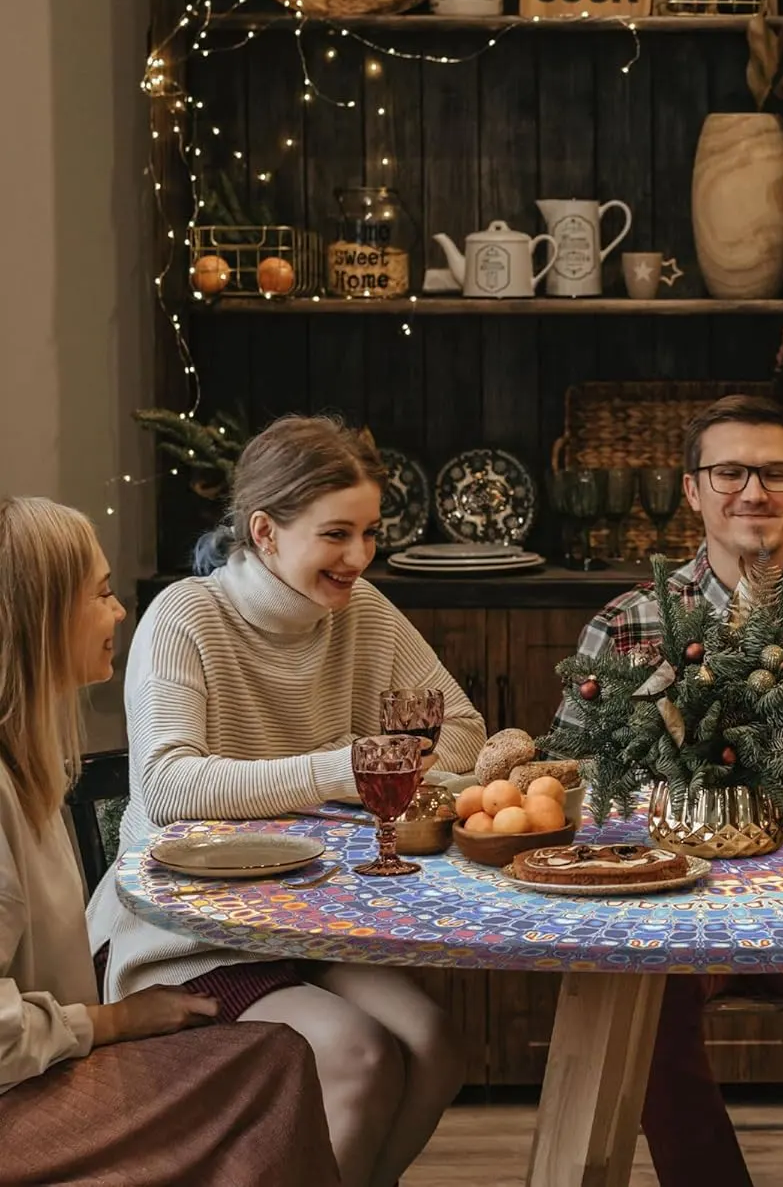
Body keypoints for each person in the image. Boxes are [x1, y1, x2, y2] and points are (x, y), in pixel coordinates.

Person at [88, 415, 487, 1187]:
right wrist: (346, 768)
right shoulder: (185, 617)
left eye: (370, 533)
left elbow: (462, 726)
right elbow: (169, 788)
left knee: (437, 1043)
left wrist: (391, 760)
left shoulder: (360, 611)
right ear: (266, 532)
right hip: (186, 936)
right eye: (336, 534)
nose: (360, 558)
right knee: (360, 1053)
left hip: (309, 923)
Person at [550, 394, 783, 1187]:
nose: (754, 491)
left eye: (775, 471)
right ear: (691, 491)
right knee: (633, 1002)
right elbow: (571, 787)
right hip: (675, 902)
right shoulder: (629, 623)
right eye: (729, 472)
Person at [0, 495, 340, 1186]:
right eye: (98, 594)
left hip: (44, 1068)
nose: (119, 612)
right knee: (271, 1065)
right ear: (41, 621)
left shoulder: (29, 769)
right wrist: (110, 1024)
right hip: (18, 1106)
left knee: (271, 1059)